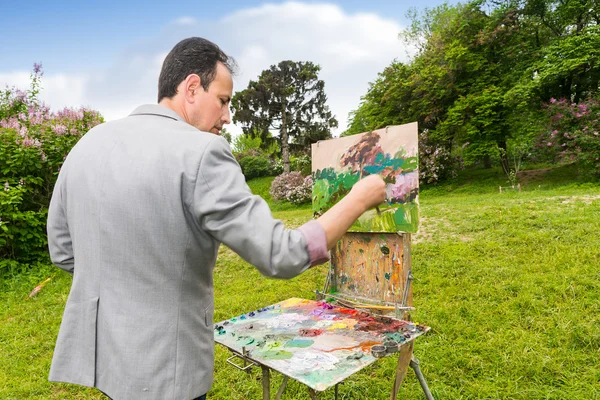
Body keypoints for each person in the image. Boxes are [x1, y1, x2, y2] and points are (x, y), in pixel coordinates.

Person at [47, 37, 386, 400]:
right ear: (191, 88)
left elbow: (63, 251)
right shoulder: (201, 152)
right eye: (223, 101)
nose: (227, 117)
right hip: (168, 371)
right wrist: (358, 199)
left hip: (109, 363)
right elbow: (282, 255)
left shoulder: (87, 144)